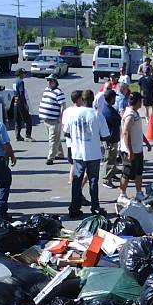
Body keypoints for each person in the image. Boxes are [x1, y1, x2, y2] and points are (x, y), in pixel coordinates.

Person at [63, 89, 110, 218]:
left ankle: (74, 207)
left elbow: (66, 132)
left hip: (77, 152)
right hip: (93, 152)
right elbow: (105, 135)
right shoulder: (97, 115)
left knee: (76, 181)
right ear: (93, 100)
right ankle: (95, 207)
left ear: (82, 100)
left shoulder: (73, 114)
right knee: (93, 181)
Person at [118, 92, 152, 204]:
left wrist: (146, 142)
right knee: (127, 173)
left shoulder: (135, 113)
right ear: (137, 102)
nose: (141, 102)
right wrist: (129, 151)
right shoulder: (130, 115)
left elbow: (137, 131)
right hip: (130, 151)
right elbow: (126, 132)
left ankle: (139, 193)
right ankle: (122, 195)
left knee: (139, 172)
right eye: (140, 100)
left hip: (138, 150)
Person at [39, 74, 66, 165]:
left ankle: (50, 158)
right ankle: (60, 153)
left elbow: (63, 105)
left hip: (54, 120)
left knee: (53, 139)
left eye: (51, 81)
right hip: (46, 120)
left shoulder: (58, 92)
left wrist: (60, 117)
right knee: (55, 138)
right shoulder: (46, 90)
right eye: (48, 80)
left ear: (55, 82)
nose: (49, 82)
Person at [101, 89, 121, 188]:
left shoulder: (108, 108)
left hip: (113, 138)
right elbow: (117, 121)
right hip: (110, 139)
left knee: (113, 159)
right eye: (114, 98)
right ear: (111, 98)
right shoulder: (108, 111)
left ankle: (112, 174)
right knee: (109, 160)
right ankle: (106, 179)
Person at [13, 68, 33, 142]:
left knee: (18, 120)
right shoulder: (21, 82)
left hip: (15, 102)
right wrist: (25, 104)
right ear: (20, 74)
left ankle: (17, 136)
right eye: (24, 73)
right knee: (28, 120)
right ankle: (28, 135)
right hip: (21, 103)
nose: (25, 75)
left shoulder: (15, 82)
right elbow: (22, 93)